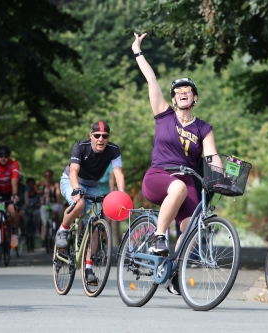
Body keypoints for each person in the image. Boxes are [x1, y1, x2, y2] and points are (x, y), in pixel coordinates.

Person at [132, 33, 221, 295]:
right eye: (178, 91)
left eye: (188, 91)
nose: (183, 94)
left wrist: (222, 175)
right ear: (173, 99)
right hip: (159, 174)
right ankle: (159, 237)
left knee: (193, 226)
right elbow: (151, 79)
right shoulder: (163, 115)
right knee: (178, 189)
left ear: (195, 98)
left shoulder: (203, 128)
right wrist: (138, 51)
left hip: (188, 178)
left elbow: (212, 156)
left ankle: (174, 271)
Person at [55, 121, 126, 284]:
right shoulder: (80, 146)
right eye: (97, 136)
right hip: (72, 181)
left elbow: (118, 173)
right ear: (91, 136)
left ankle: (88, 269)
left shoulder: (113, 150)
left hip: (93, 185)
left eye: (105, 136)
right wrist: (76, 189)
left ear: (108, 137)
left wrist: (121, 193)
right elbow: (73, 170)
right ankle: (63, 230)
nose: (101, 139)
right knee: (79, 204)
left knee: (94, 226)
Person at [38, 169, 62, 244]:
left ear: (52, 176)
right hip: (44, 204)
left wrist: (58, 200)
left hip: (53, 203)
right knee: (44, 221)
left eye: (49, 175)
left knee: (56, 212)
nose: (48, 177)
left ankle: (57, 228)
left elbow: (58, 193)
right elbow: (36, 186)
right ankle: (43, 239)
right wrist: (39, 192)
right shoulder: (43, 183)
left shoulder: (55, 184)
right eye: (46, 175)